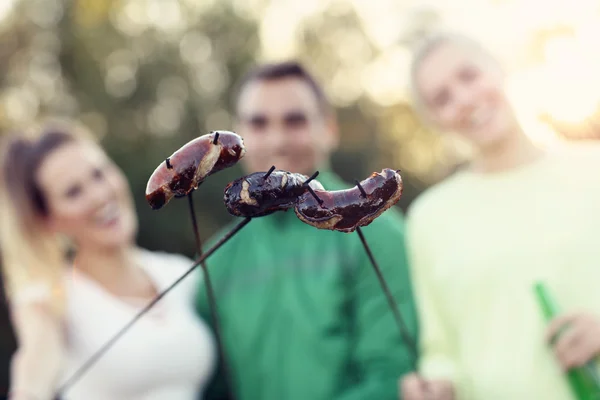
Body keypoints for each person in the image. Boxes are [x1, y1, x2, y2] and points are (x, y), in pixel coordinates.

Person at [195, 61, 419, 400]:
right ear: (237, 137)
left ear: (329, 128)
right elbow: (211, 386)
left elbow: (391, 375)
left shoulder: (380, 233)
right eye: (258, 123)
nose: (277, 140)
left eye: (295, 120)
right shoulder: (216, 259)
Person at [400, 31, 600, 400]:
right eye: (442, 98)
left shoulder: (594, 170)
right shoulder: (429, 217)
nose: (463, 98)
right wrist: (435, 385)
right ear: (433, 120)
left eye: (469, 76)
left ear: (499, 69)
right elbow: (441, 352)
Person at [0, 120, 216, 400]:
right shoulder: (50, 297)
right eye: (73, 192)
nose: (100, 195)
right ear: (48, 220)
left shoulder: (179, 272)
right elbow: (36, 356)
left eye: (99, 174)